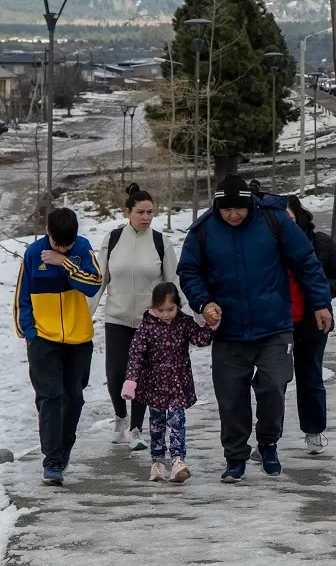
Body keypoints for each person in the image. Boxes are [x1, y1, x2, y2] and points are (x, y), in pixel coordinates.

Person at [178, 174, 333, 483]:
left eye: (239, 209)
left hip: (273, 324)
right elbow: (189, 270)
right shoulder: (204, 229)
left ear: (250, 204)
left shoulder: (273, 221)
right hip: (228, 330)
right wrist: (203, 302)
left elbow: (305, 260)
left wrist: (320, 303)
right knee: (231, 397)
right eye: (226, 210)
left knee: (274, 385)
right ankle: (235, 457)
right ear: (217, 207)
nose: (233, 215)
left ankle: (268, 443)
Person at [14, 207, 103, 486]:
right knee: (50, 397)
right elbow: (21, 297)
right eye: (56, 242)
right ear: (47, 233)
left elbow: (94, 283)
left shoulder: (83, 248)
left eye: (67, 243)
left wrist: (64, 261)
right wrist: (29, 334)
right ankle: (51, 461)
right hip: (43, 338)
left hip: (79, 339)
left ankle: (64, 448)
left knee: (73, 398)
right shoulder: (32, 253)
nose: (62, 246)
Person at [92, 184, 179, 452]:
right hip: (117, 317)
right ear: (127, 212)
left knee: (140, 375)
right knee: (116, 373)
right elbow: (100, 280)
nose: (146, 217)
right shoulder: (113, 239)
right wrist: (86, 313)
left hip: (148, 322)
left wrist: (182, 317)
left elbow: (172, 282)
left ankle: (137, 429)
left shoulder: (160, 242)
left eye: (150, 212)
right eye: (140, 212)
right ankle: (121, 417)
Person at [121, 282, 215, 484]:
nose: (166, 314)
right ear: (153, 307)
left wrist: (211, 325)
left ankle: (178, 461)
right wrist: (131, 381)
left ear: (178, 305)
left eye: (170, 309)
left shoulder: (184, 323)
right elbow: (136, 355)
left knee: (177, 422)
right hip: (154, 385)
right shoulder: (146, 328)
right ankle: (158, 462)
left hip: (178, 384)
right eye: (160, 310)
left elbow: (199, 339)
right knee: (156, 424)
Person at [284, 195, 336, 454]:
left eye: (289, 218)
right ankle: (269, 438)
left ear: (299, 216)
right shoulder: (270, 244)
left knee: (310, 376)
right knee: (274, 380)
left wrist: (320, 295)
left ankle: (314, 431)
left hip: (313, 322)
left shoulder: (320, 243)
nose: (285, 224)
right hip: (279, 323)